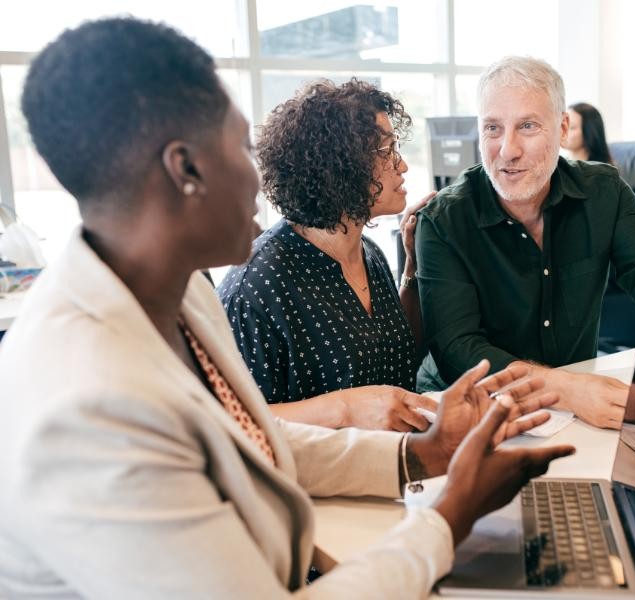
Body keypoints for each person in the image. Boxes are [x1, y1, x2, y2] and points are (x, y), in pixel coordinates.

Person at [0, 19, 576, 598]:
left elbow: (249, 435)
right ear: (186, 169)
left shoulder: (178, 294)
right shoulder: (89, 409)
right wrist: (449, 517)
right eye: (239, 147)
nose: (261, 179)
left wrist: (420, 454)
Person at [415, 56, 635, 429]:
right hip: (470, 405)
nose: (507, 150)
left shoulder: (605, 191)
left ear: (563, 128)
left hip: (572, 406)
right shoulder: (443, 220)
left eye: (528, 126)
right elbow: (458, 348)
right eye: (492, 128)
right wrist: (564, 388)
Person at [217, 79, 437, 432]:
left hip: (390, 466)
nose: (402, 166)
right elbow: (235, 421)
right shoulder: (256, 287)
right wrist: (343, 410)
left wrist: (412, 267)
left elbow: (400, 359)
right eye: (386, 151)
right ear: (340, 164)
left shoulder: (370, 254)